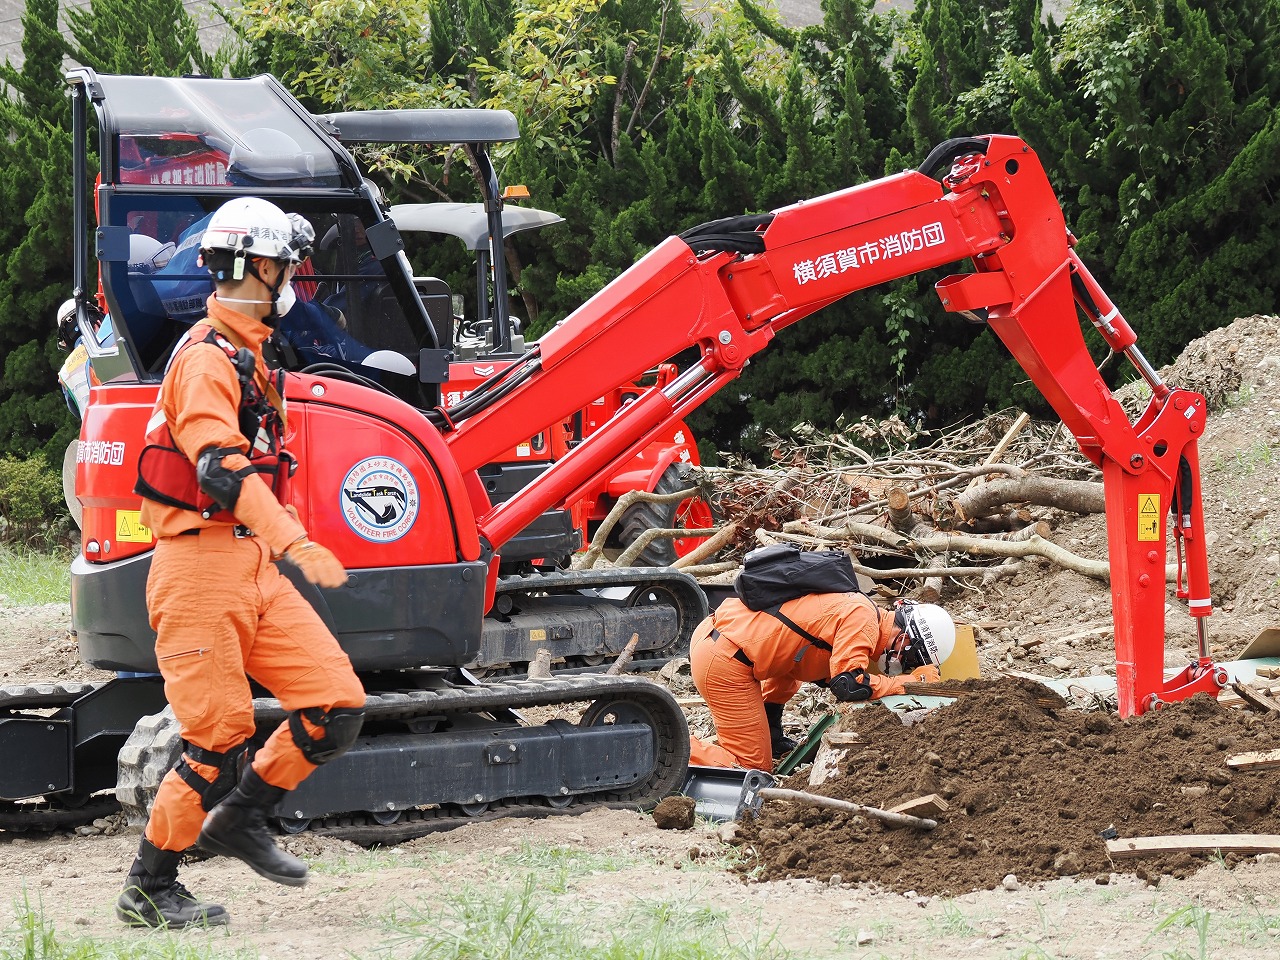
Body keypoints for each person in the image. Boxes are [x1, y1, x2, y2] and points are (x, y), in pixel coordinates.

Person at [116, 196, 367, 930]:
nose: (295, 278)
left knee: (335, 707)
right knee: (215, 742)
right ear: (260, 265)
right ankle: (149, 887)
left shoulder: (248, 353)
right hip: (198, 572)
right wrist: (292, 540)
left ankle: (241, 819)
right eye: (289, 265)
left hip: (250, 565)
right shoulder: (203, 361)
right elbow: (221, 471)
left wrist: (276, 547)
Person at [688, 592, 955, 772]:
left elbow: (814, 667)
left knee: (798, 664)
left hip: (722, 640)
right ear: (905, 642)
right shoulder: (863, 620)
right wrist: (907, 683)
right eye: (908, 661)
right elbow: (848, 685)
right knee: (751, 768)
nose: (901, 667)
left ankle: (771, 732)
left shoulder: (862, 610)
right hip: (724, 659)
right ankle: (667, 745)